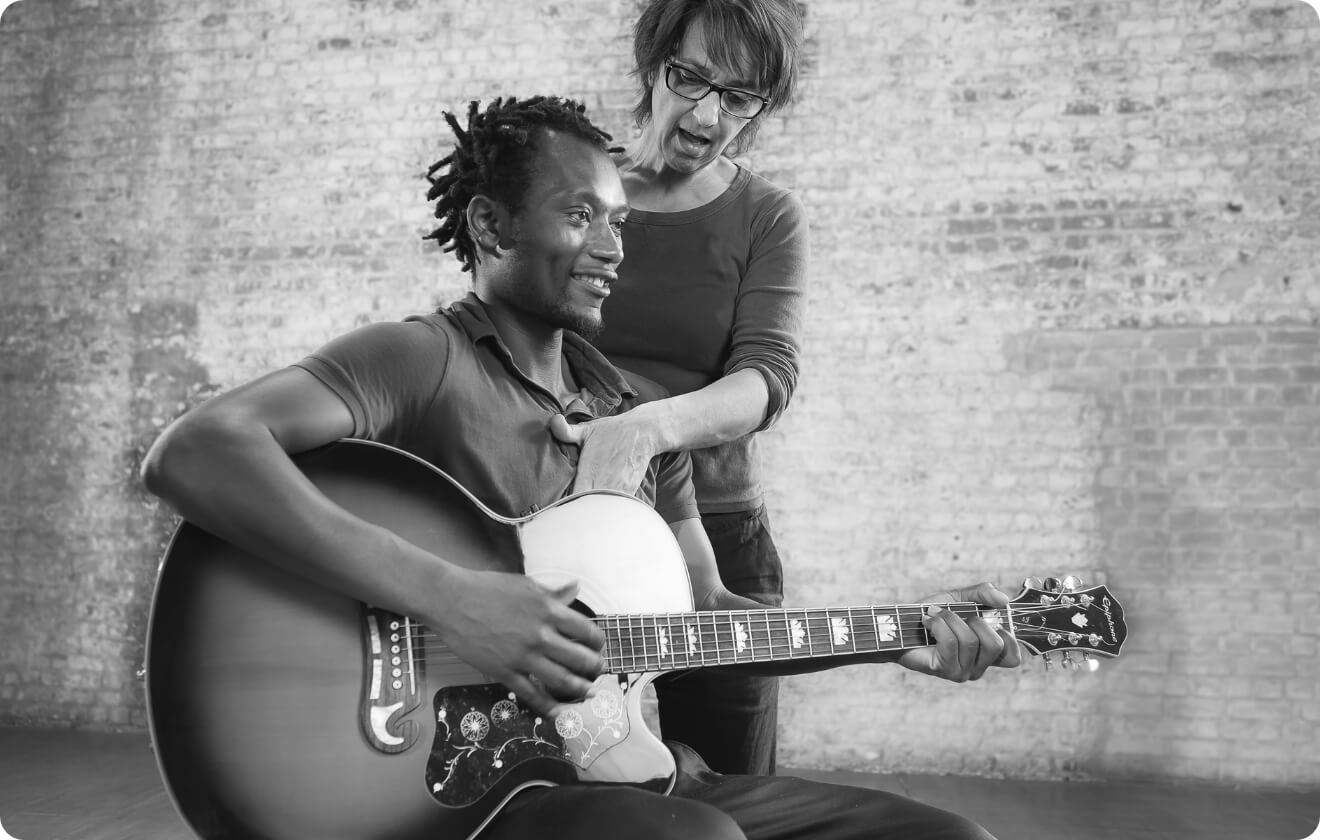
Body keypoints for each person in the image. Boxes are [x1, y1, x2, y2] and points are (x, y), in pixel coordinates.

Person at [140, 95, 1018, 840]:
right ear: (490, 225)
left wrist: (901, 634)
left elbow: (705, 617)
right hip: (469, 790)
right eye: (578, 217)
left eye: (618, 221)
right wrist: (450, 596)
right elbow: (198, 449)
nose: (612, 248)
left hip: (621, 769)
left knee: (949, 839)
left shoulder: (635, 414)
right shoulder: (422, 361)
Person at [550, 0, 808, 777]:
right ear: (652, 64)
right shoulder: (574, 192)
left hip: (718, 540)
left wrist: (646, 428)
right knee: (572, 787)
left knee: (734, 794)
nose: (706, 114)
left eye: (738, 96)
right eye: (689, 77)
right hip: (564, 531)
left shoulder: (767, 216)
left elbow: (767, 377)